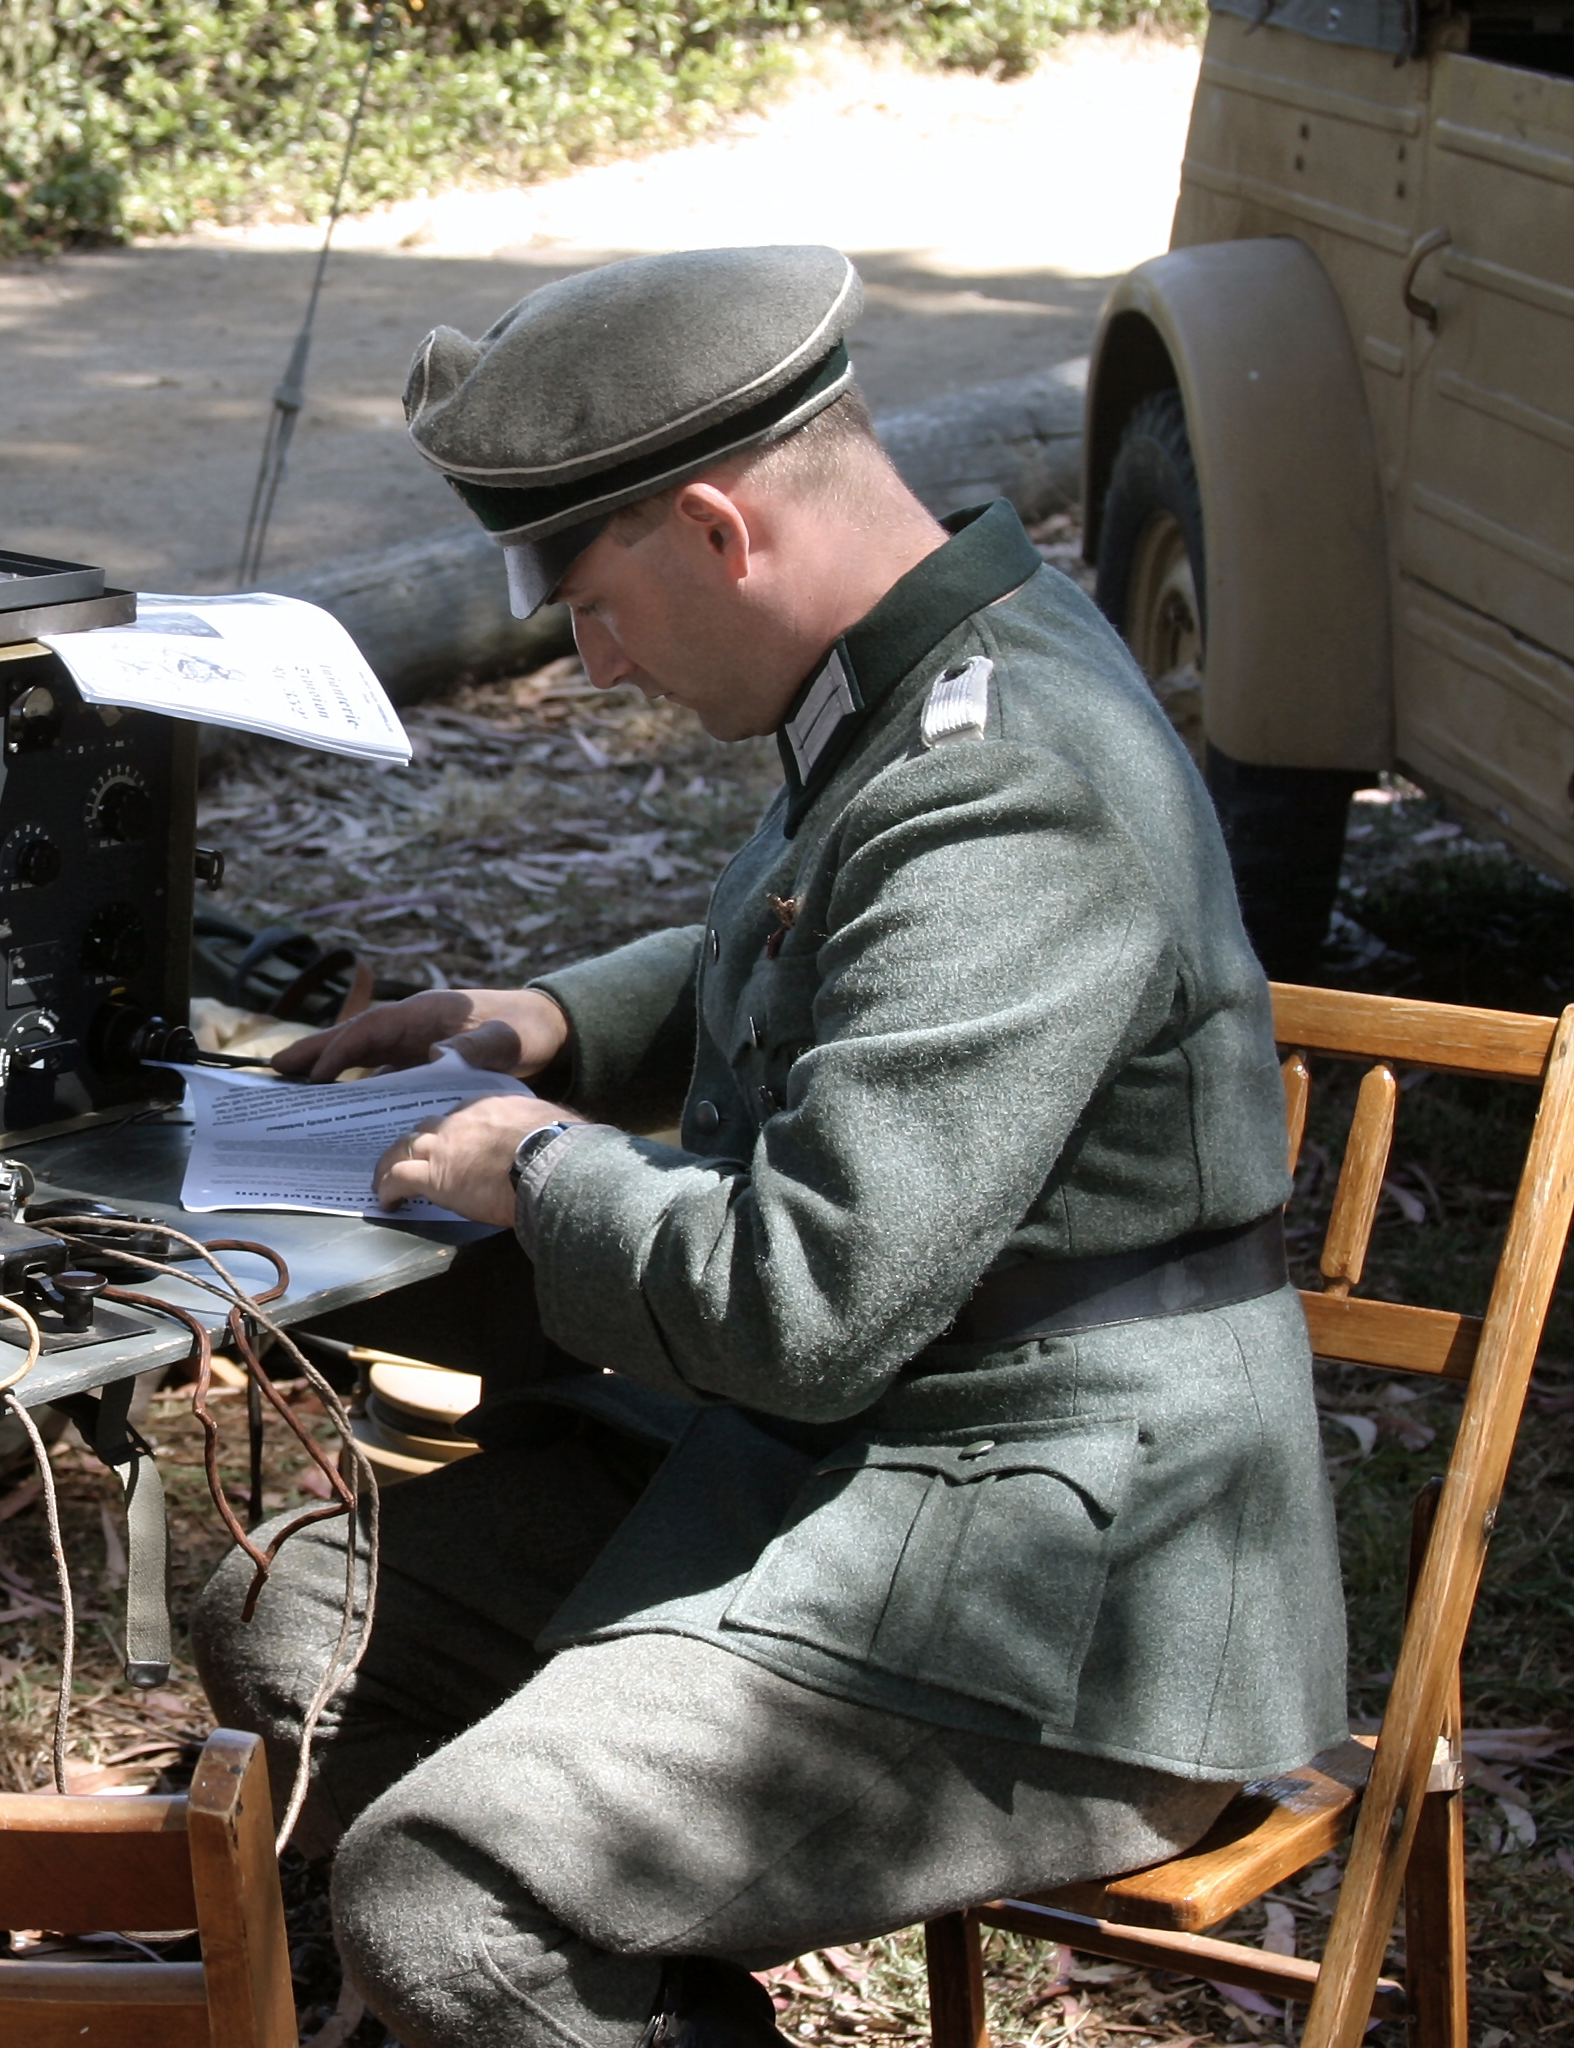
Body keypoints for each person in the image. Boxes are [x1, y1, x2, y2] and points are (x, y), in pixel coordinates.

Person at [190, 246, 1347, 2048]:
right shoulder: (916, 674)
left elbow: (802, 1301)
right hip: (868, 1462)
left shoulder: (1005, 780)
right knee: (287, 1615)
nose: (595, 661)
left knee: (445, 1897)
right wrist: (553, 1019)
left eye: (592, 605)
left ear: (720, 529)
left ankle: (503, 1965)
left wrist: (536, 1166)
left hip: (1063, 1589)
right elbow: (821, 936)